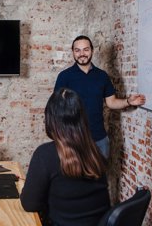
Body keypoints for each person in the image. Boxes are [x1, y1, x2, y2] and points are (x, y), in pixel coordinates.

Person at [20, 88, 110, 226]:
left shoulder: (45, 155)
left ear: (50, 119)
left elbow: (30, 205)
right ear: (82, 119)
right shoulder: (95, 153)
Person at [54, 35, 145, 158]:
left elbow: (111, 102)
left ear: (92, 50)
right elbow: (56, 108)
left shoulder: (102, 76)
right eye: (78, 50)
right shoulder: (64, 77)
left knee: (100, 176)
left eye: (86, 49)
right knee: (74, 177)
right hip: (74, 140)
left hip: (99, 139)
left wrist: (128, 101)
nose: (82, 54)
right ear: (73, 52)